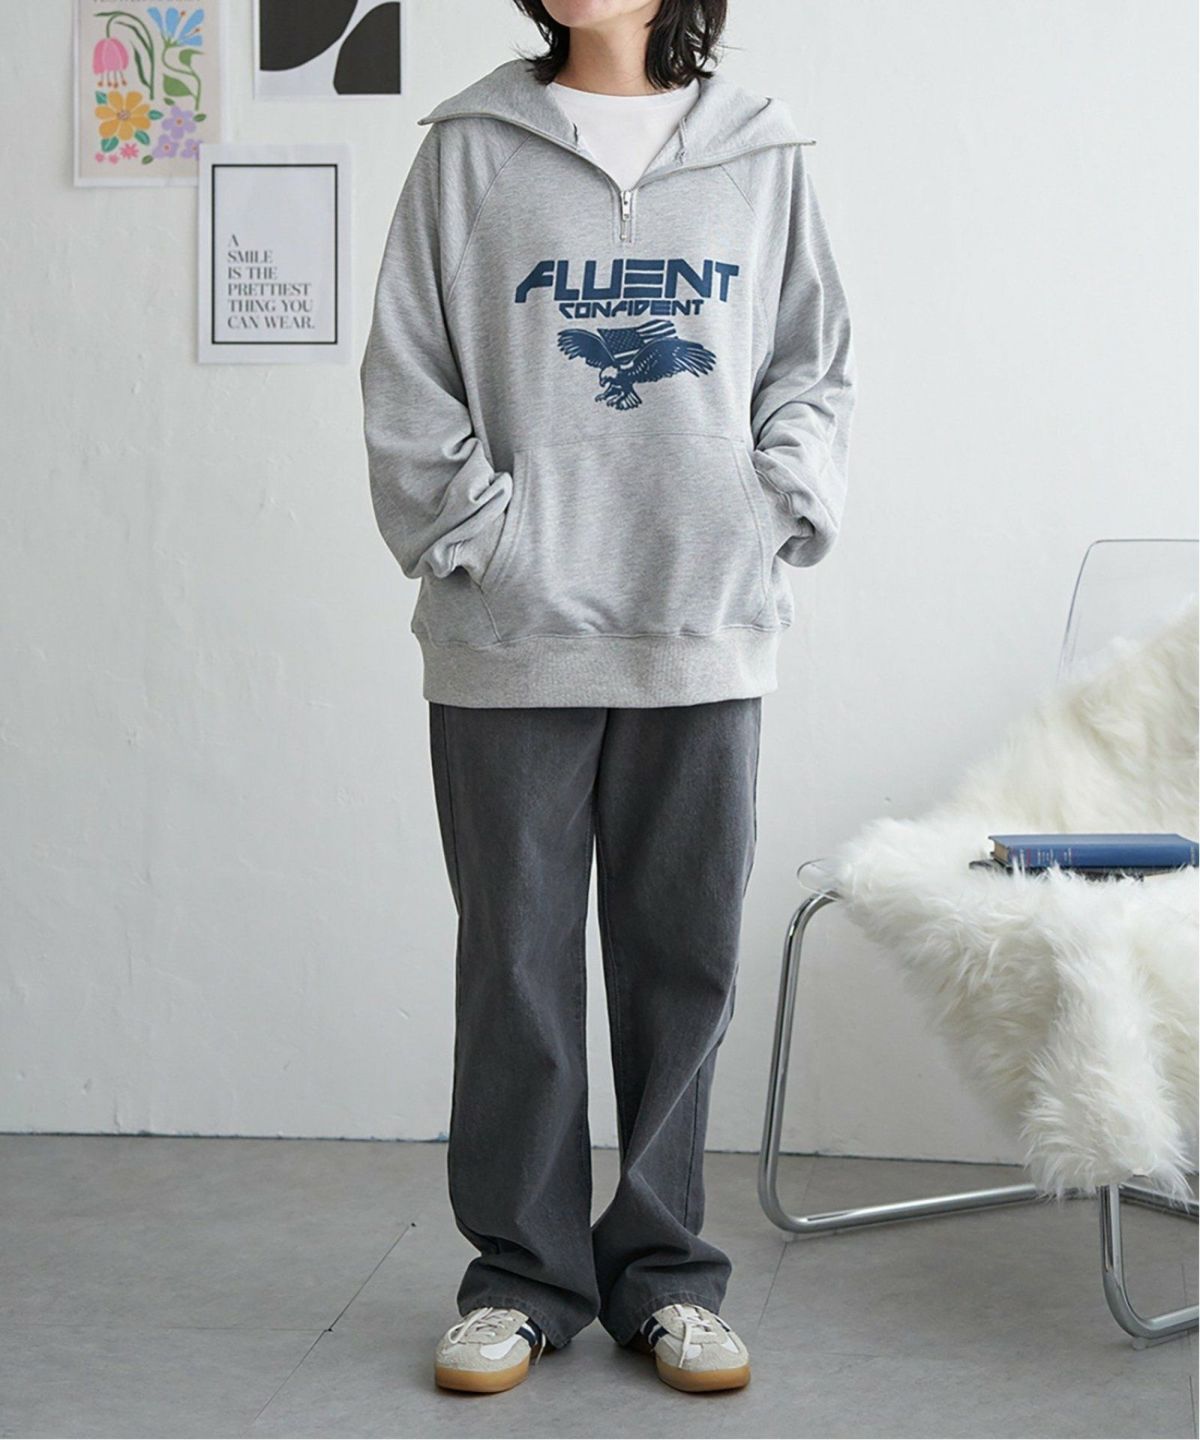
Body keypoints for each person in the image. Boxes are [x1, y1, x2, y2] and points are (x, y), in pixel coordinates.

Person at [359, 0, 856, 1396]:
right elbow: (406, 370)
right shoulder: (468, 149)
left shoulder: (762, 153)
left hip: (703, 625)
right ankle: (521, 1280)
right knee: (514, 968)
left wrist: (771, 508)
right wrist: (488, 538)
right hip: (511, 638)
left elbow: (814, 365)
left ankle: (667, 1278)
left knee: (682, 961)